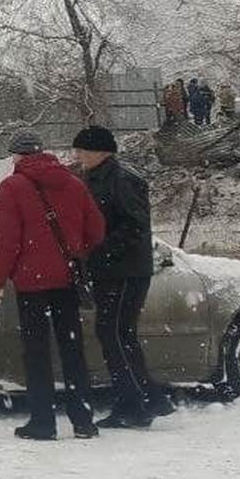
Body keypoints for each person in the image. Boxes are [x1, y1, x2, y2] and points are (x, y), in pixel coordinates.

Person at [0, 129, 105, 440]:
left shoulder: (12, 187)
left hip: (31, 285)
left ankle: (43, 422)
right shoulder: (73, 183)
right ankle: (83, 420)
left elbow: (7, 241)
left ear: (16, 156)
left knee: (36, 353)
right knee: (72, 349)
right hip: (66, 280)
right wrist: (75, 252)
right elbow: (96, 229)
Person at [72, 125, 164, 427]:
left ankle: (138, 403)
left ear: (101, 151)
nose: (79, 155)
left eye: (83, 150)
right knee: (115, 334)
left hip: (125, 271)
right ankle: (141, 399)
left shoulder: (121, 179)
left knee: (114, 333)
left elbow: (135, 225)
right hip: (111, 269)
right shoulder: (97, 178)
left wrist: (102, 250)